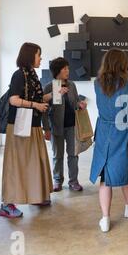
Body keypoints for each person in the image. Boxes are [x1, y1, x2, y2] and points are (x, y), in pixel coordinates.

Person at [90, 49, 128, 233]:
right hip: (123, 133)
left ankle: (105, 218)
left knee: (105, 178)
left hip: (104, 132)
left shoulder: (97, 84)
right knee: (127, 172)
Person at [0, 43, 53, 218]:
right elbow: (13, 100)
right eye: (39, 55)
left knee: (34, 162)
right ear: (30, 56)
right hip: (19, 126)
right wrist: (35, 105)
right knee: (17, 164)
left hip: (32, 125)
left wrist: (53, 95)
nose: (41, 58)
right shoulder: (19, 75)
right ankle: (7, 204)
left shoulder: (31, 75)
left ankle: (35, 195)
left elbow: (35, 97)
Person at [42, 57, 88, 193]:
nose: (68, 71)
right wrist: (46, 128)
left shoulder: (72, 85)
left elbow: (75, 102)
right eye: (65, 68)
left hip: (72, 125)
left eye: (68, 68)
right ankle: (57, 180)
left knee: (73, 154)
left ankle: (73, 181)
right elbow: (44, 110)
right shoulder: (49, 87)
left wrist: (80, 104)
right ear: (57, 71)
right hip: (56, 127)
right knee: (57, 155)